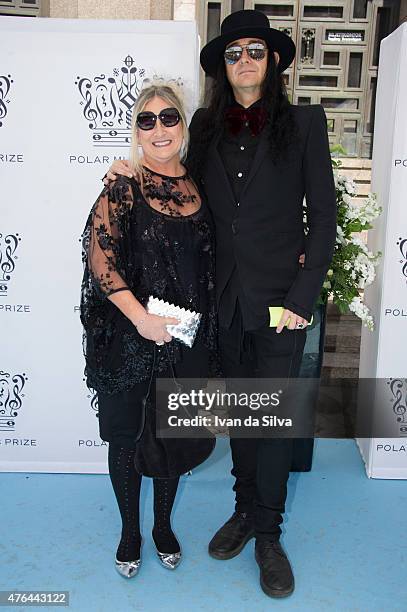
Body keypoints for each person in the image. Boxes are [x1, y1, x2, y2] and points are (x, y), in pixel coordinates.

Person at [105, 9, 337, 597]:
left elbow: (324, 216)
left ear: (275, 60)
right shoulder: (205, 123)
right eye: (233, 53)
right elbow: (174, 177)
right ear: (221, 66)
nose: (244, 62)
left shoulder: (306, 123)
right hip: (220, 301)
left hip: (281, 304)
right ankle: (240, 510)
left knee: (273, 423)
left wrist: (302, 298)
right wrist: (128, 170)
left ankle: (267, 533)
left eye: (255, 51)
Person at [80, 83, 216, 579]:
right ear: (136, 132)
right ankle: (130, 532)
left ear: (183, 126)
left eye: (169, 117)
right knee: (127, 438)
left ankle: (162, 526)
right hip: (132, 337)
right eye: (146, 120)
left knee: (172, 436)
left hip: (184, 337)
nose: (159, 128)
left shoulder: (200, 185)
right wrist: (142, 318)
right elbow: (102, 262)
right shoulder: (122, 186)